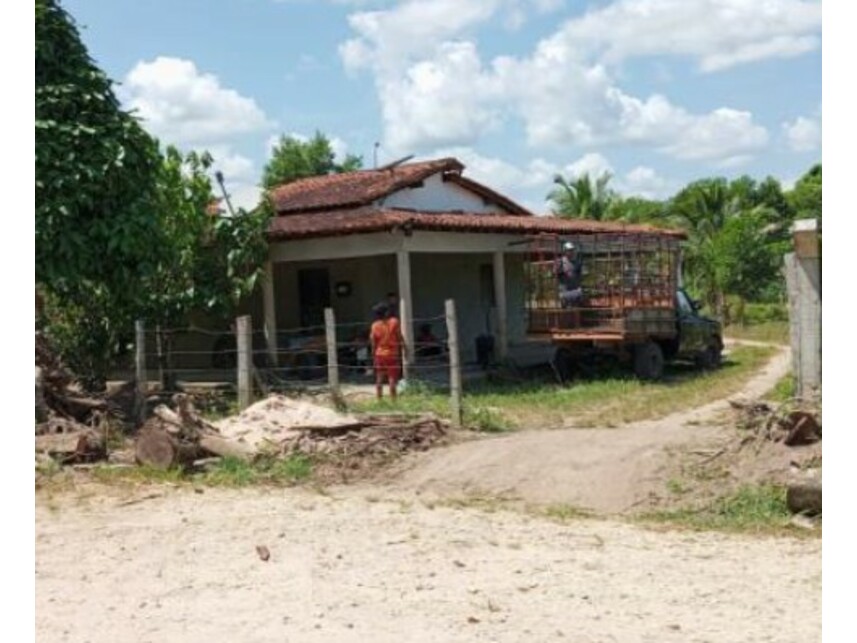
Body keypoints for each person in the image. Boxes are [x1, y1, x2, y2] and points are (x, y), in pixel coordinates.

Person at [369, 303, 404, 399]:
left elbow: (373, 341)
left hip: (379, 354)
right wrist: (405, 347)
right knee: (392, 378)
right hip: (392, 354)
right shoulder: (394, 321)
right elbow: (399, 336)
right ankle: (393, 400)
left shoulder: (374, 325)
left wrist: (373, 354)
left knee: (379, 377)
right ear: (386, 312)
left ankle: (379, 399)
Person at [555, 240, 584, 308]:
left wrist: (579, 286)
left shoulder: (576, 262)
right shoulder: (560, 261)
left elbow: (579, 276)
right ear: (565, 251)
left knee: (577, 306)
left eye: (572, 250)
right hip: (565, 291)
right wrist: (559, 269)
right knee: (566, 310)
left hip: (575, 290)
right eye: (569, 250)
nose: (571, 252)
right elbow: (556, 273)